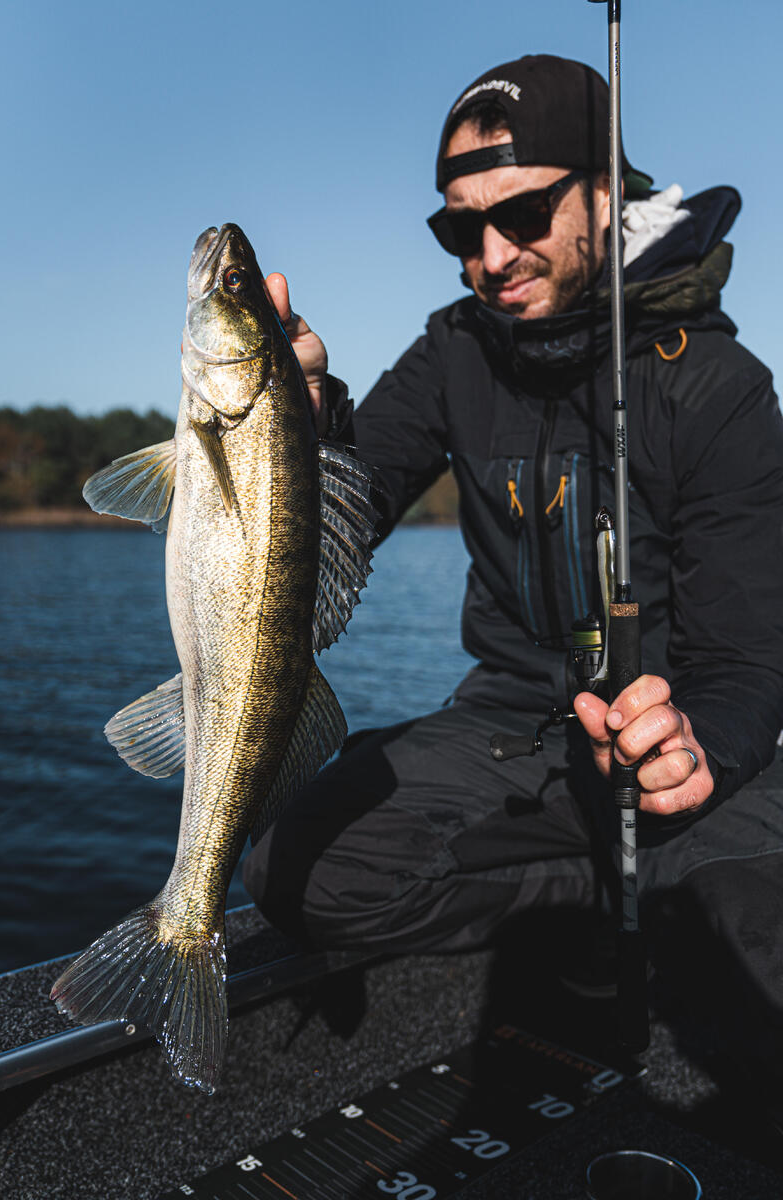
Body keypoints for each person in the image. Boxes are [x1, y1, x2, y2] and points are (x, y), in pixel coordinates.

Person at [245, 56, 783, 1090]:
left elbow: (749, 664)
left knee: (748, 949)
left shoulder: (718, 384)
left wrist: (695, 747)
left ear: (602, 189)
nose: (489, 257)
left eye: (525, 212)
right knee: (296, 867)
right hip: (509, 725)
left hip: (677, 738)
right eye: (457, 229)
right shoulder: (452, 350)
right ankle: (600, 895)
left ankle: (663, 887)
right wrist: (300, 438)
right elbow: (356, 492)